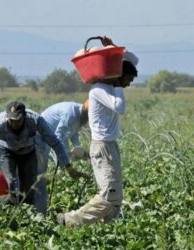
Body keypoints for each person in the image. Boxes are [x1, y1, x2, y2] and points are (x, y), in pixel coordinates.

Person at [57, 37, 138, 226]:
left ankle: (110, 228)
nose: (128, 85)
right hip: (101, 147)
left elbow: (133, 60)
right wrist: (118, 85)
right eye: (127, 80)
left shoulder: (110, 87)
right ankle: (70, 220)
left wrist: (112, 48)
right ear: (118, 76)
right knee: (109, 194)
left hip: (111, 145)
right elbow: (120, 107)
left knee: (116, 195)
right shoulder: (99, 90)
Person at [0, 101, 87, 210]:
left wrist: (68, 166)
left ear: (24, 116)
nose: (14, 124)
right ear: (7, 117)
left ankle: (26, 214)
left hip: (28, 151)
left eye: (18, 120)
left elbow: (55, 142)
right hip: (6, 151)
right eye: (11, 120)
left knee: (29, 187)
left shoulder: (35, 120)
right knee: (11, 182)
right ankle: (6, 212)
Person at [35, 100, 90, 214]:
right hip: (42, 134)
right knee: (42, 167)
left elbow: (73, 134)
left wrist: (78, 149)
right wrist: (65, 160)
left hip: (54, 135)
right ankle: (39, 202)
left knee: (63, 163)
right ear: (86, 112)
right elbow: (59, 138)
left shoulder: (80, 116)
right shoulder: (70, 114)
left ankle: (56, 186)